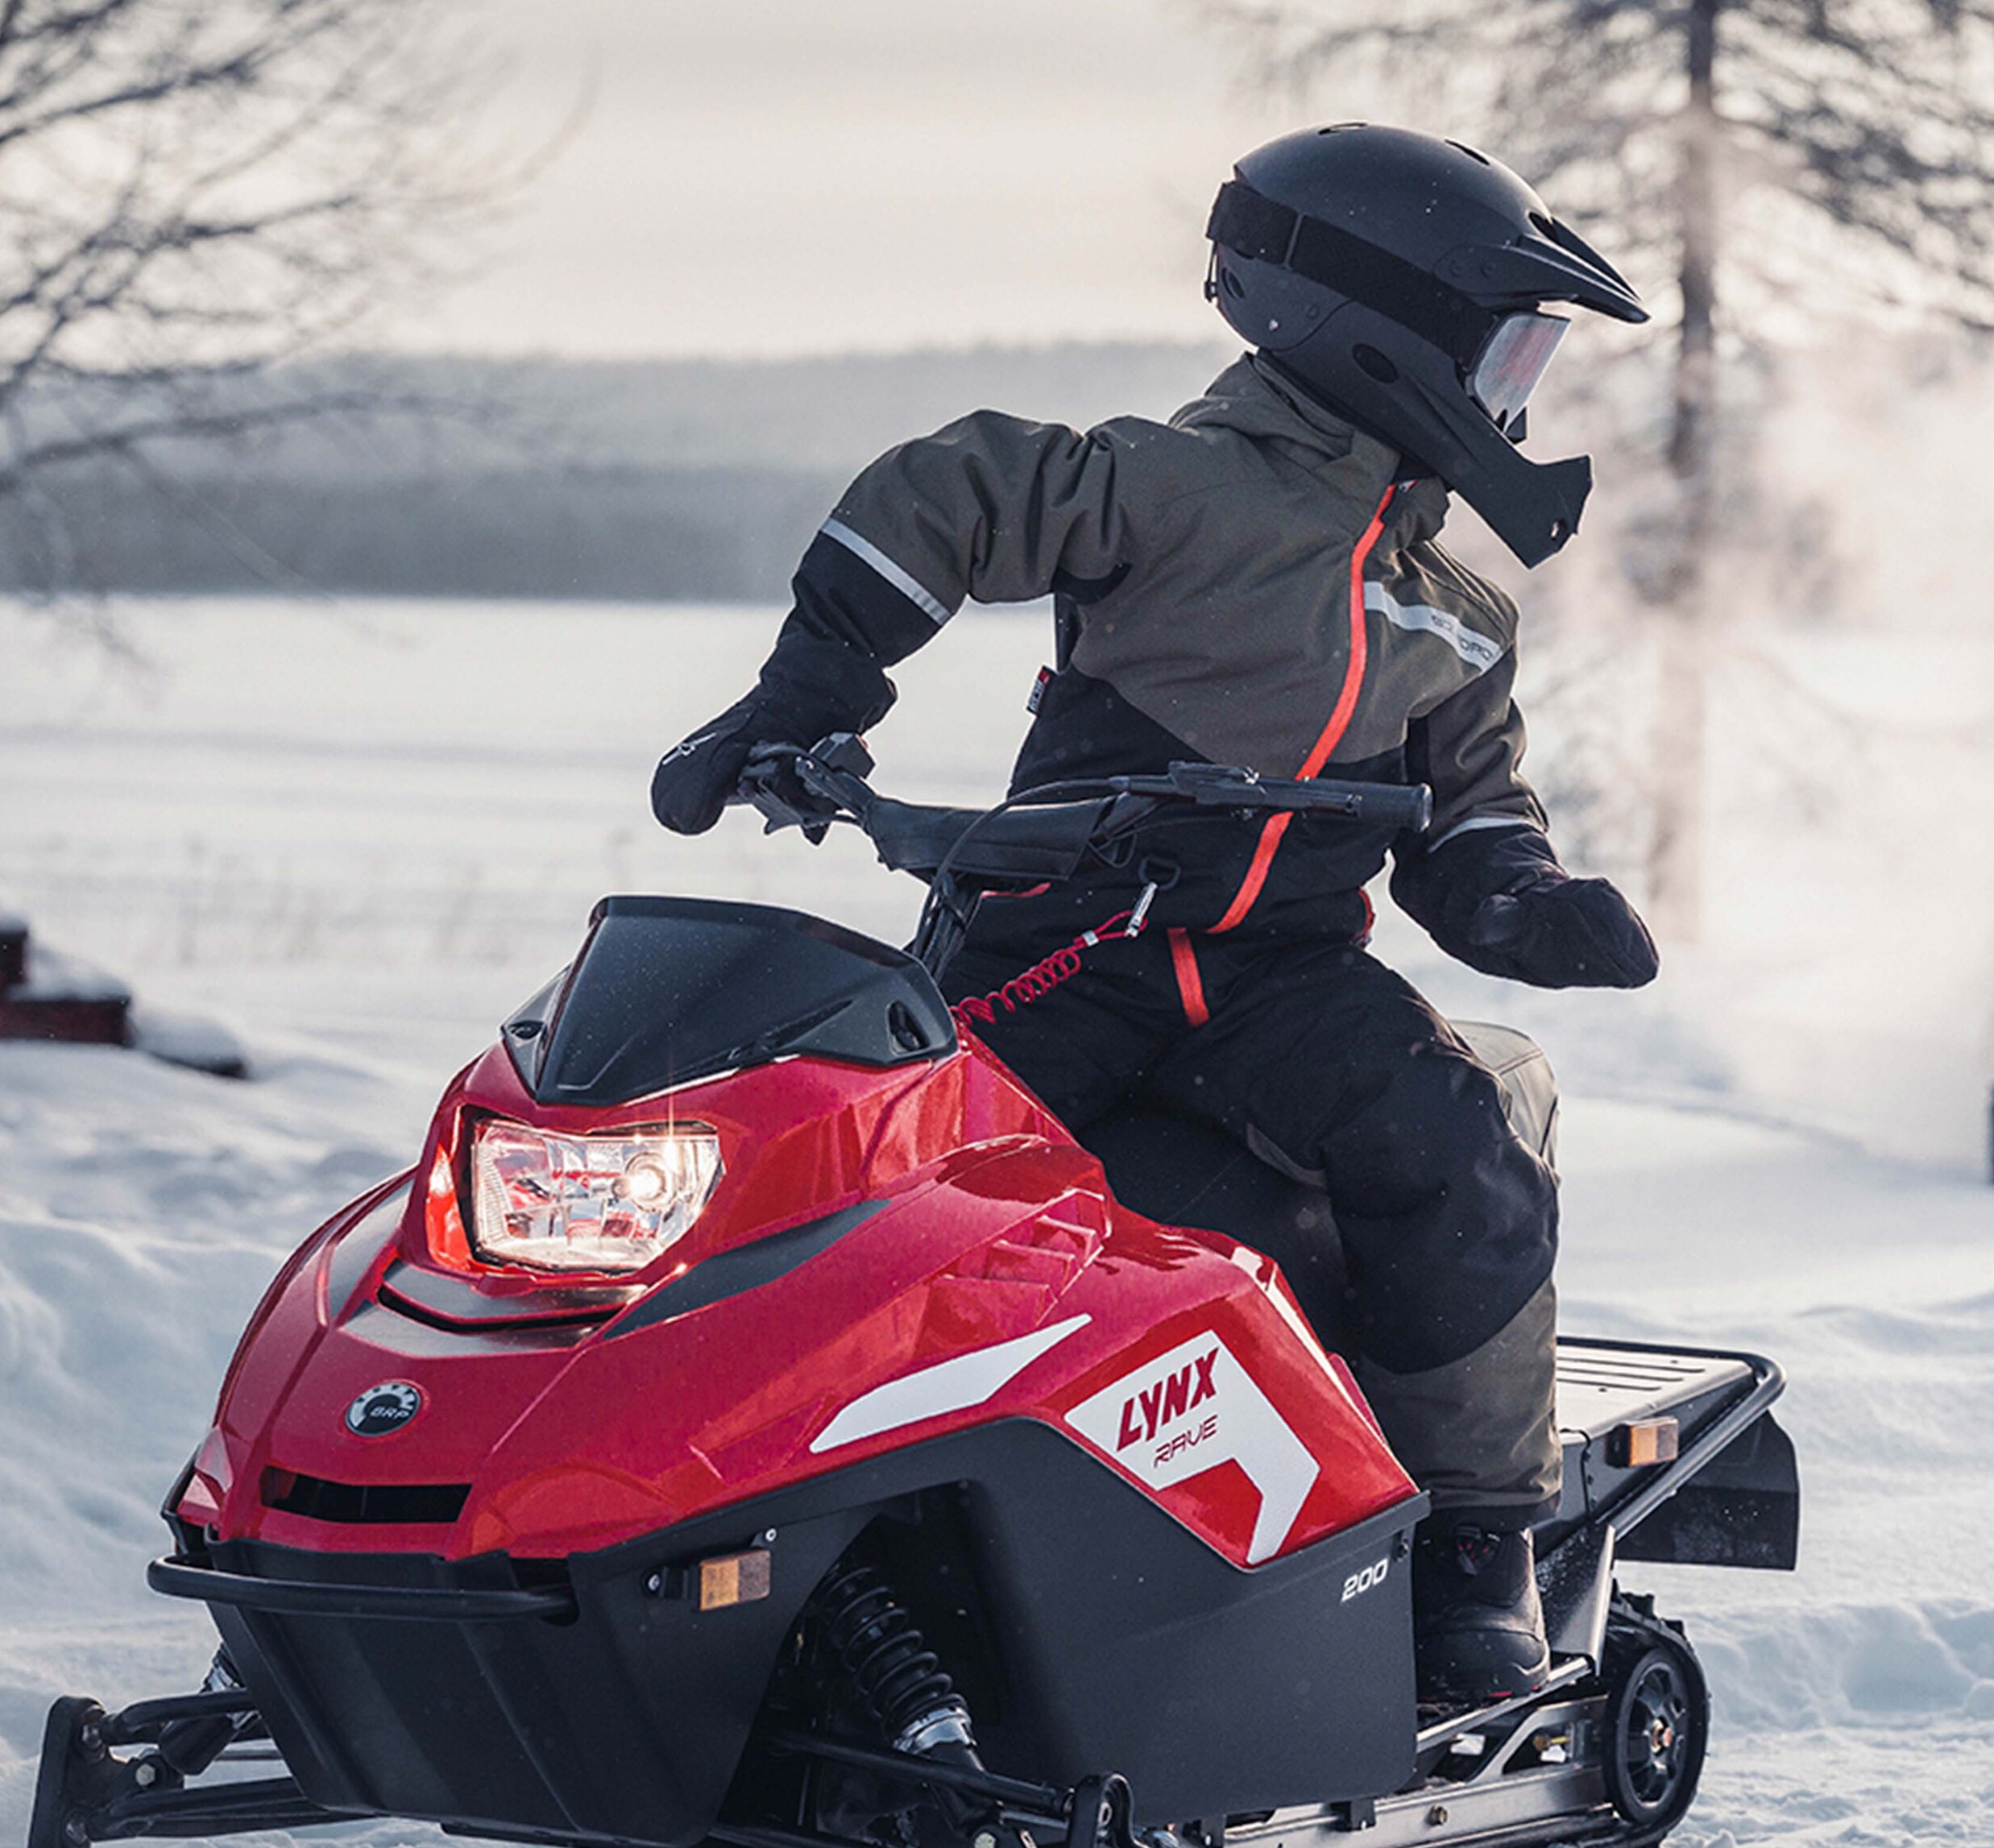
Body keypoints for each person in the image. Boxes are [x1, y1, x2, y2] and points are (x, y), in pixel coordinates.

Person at [649, 124, 1657, 1704]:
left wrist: (1528, 901)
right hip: (1057, 948)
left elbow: (1470, 817)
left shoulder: (1458, 613)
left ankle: (1475, 1546)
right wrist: (810, 688)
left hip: (1283, 983)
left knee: (1456, 1138)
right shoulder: (1174, 485)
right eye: (1505, 349)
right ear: (1384, 330)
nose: (1513, 394)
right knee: (896, 1201)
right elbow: (951, 491)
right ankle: (765, 1517)